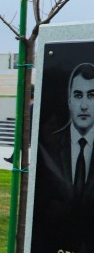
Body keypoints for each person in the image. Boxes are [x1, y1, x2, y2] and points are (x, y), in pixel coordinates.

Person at [37, 62, 94, 210]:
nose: (84, 106)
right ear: (69, 102)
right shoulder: (51, 144)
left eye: (91, 95)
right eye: (78, 95)